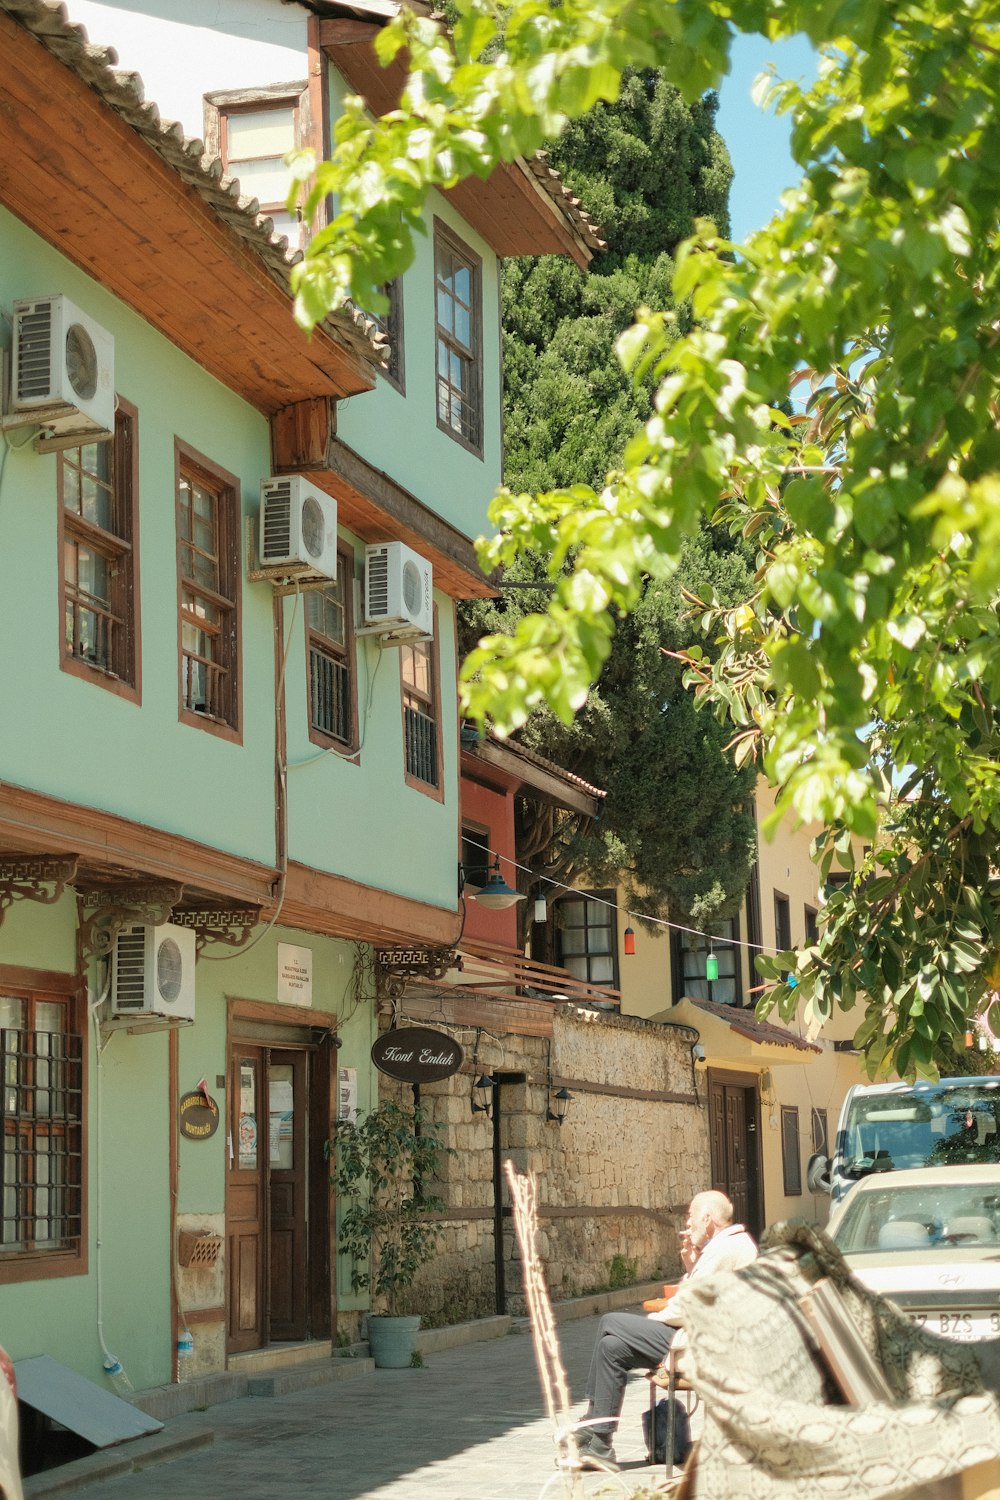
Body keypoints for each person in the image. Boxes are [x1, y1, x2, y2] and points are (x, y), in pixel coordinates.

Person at [575, 1189, 757, 1469]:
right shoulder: (728, 1245)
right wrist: (691, 1265)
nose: (688, 1225)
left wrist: (648, 1325)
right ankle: (600, 1444)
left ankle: (593, 1422)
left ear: (708, 1219)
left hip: (706, 1348)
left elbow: (684, 1308)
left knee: (611, 1322)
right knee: (611, 1347)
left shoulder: (726, 1248)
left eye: (691, 1218)